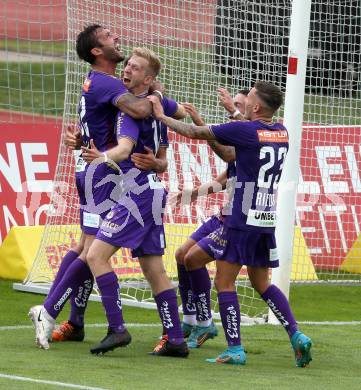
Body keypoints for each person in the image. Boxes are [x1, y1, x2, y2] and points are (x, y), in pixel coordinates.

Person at [147, 81, 313, 367]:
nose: (243, 101)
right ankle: (296, 335)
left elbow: (196, 133)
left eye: (247, 98)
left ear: (256, 106)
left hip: (240, 219)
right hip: (265, 218)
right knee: (261, 283)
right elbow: (231, 154)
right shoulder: (281, 132)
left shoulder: (245, 130)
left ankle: (234, 348)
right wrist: (234, 114)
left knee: (224, 281)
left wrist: (162, 117)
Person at [28, 24, 162, 350]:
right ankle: (50, 311)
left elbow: (97, 124)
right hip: (101, 175)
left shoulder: (96, 81)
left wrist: (82, 142)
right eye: (107, 37)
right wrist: (157, 92)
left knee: (83, 248)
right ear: (97, 52)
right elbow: (140, 108)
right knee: (91, 252)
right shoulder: (105, 82)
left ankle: (71, 320)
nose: (116, 37)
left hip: (90, 169)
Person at [79, 47, 189, 357]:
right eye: (128, 64)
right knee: (153, 268)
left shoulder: (130, 111)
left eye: (136, 68)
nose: (127, 70)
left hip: (136, 192)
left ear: (148, 77)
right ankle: (176, 339)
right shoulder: (159, 106)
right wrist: (172, 102)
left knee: (95, 256)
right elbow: (177, 117)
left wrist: (99, 158)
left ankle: (117, 328)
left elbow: (125, 149)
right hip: (153, 190)